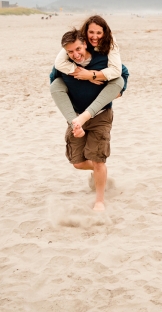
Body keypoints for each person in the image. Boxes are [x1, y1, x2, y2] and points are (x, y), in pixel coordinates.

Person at [50, 28, 128, 212]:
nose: (75, 54)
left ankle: (99, 200)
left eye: (78, 49)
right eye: (70, 51)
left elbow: (122, 75)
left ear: (84, 43)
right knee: (77, 162)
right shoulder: (63, 64)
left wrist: (95, 76)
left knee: (99, 160)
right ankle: (100, 171)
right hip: (77, 116)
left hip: (100, 114)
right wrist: (76, 73)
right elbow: (54, 84)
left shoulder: (102, 58)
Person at [50, 15, 123, 137]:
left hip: (100, 112)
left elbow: (120, 72)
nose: (95, 37)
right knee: (56, 84)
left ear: (105, 33)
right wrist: (79, 73)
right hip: (76, 113)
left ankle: (81, 120)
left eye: (99, 32)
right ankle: (75, 124)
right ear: (85, 34)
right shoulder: (73, 44)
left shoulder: (106, 52)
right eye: (91, 32)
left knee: (119, 81)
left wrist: (92, 75)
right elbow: (56, 70)